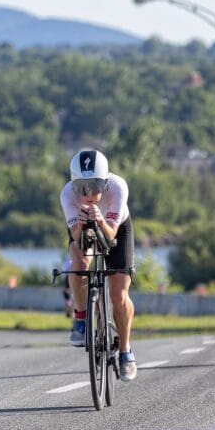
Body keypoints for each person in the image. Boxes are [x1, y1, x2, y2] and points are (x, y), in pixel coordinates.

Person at [59, 149, 137, 382]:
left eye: (95, 186)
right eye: (81, 187)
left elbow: (112, 235)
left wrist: (100, 218)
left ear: (105, 182)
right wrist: (82, 225)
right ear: (73, 185)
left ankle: (125, 351)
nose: (89, 193)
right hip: (84, 226)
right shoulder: (67, 195)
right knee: (79, 261)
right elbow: (74, 236)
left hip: (116, 228)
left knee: (118, 295)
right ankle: (82, 317)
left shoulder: (118, 187)